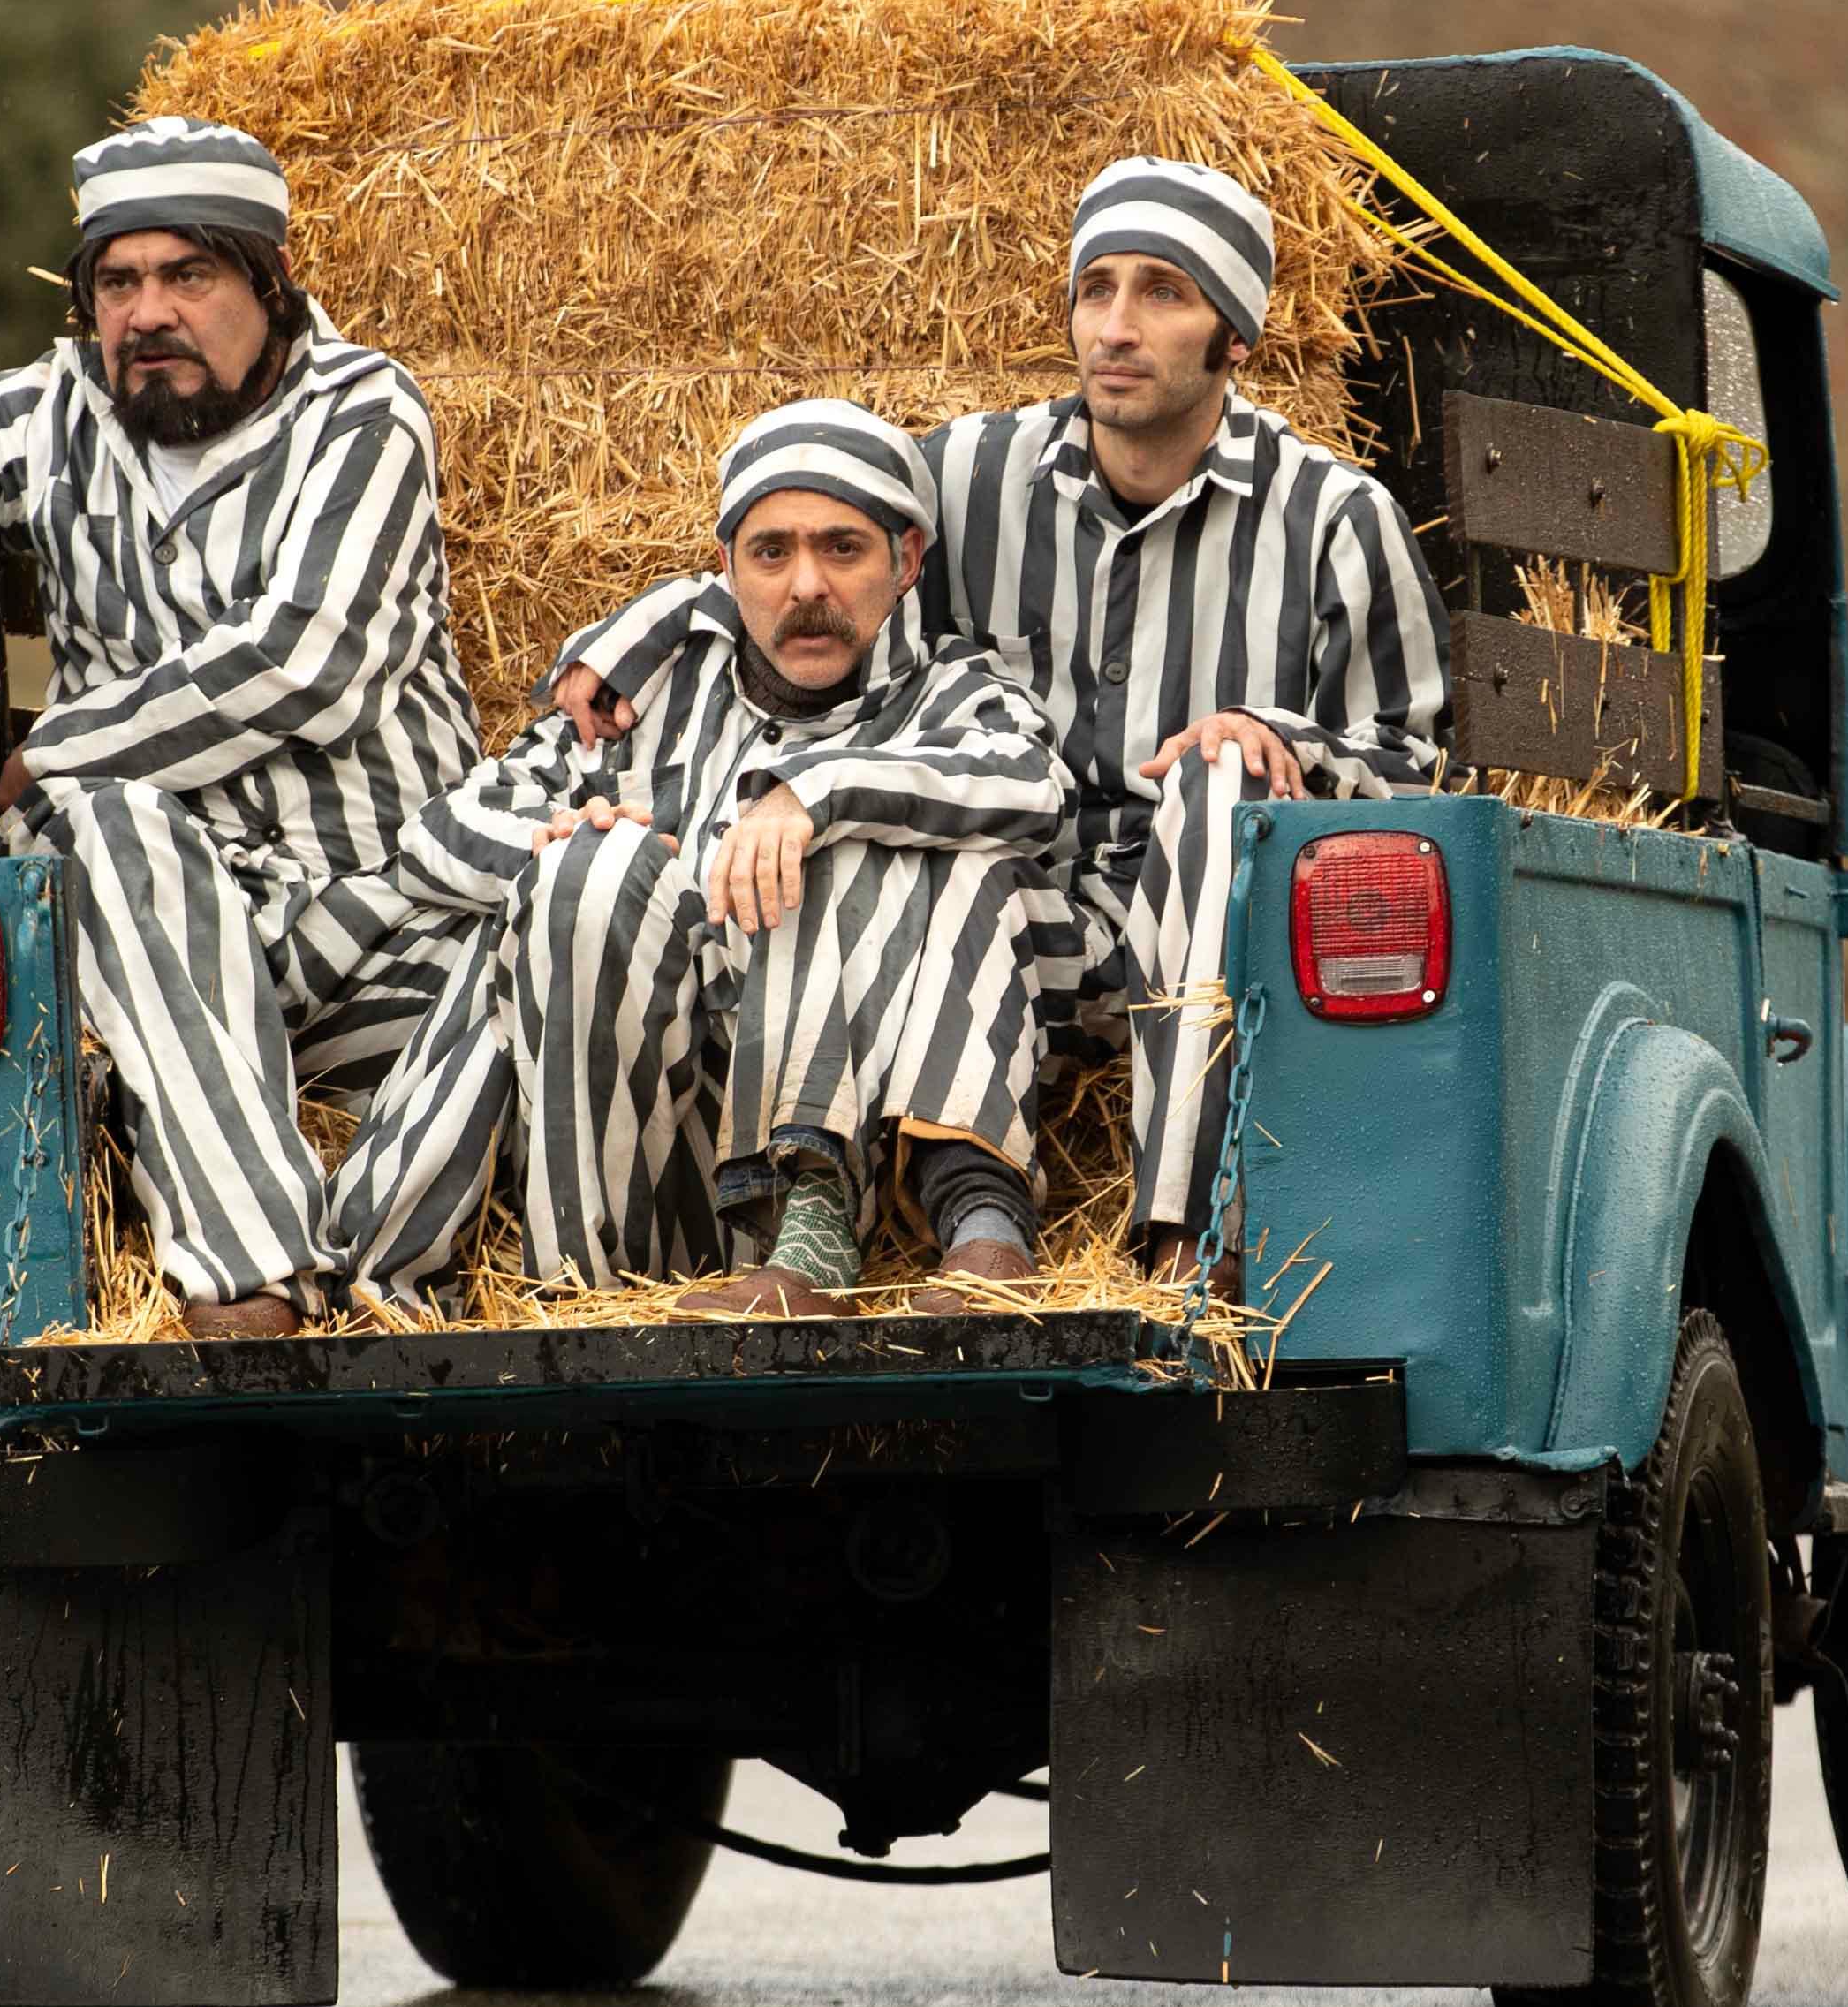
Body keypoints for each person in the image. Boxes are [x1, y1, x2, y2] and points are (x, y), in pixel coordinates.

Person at [556, 154, 1445, 1262]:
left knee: (1216, 784)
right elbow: (817, 563)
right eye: (1096, 288)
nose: (1115, 327)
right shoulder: (969, 472)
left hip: (1212, 925)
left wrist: (1281, 742)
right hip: (1007, 918)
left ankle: (1186, 1235)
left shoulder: (1333, 519)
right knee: (907, 819)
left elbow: (1412, 762)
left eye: (1162, 293)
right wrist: (633, 637)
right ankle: (898, 1229)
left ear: (1236, 339)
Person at [0, 114, 479, 1336]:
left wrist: (51, 750)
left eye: (187, 274)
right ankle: (250, 1270)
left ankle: (392, 1278)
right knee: (105, 827)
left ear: (265, 284)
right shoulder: (55, 408)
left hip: (380, 918)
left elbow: (307, 662)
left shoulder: (362, 412)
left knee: (549, 956)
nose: (148, 311)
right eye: (118, 281)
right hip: (160, 932)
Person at [329, 398, 1068, 1314]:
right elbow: (437, 834)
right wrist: (553, 845)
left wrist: (815, 795)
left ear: (906, 561)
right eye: (771, 553)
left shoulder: (951, 694)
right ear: (725, 568)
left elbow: (1034, 787)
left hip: (862, 1181)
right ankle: (582, 1299)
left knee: (919, 843)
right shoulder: (645, 698)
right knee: (589, 871)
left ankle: (893, 1227)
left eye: (843, 549)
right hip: (656, 1166)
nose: (806, 585)